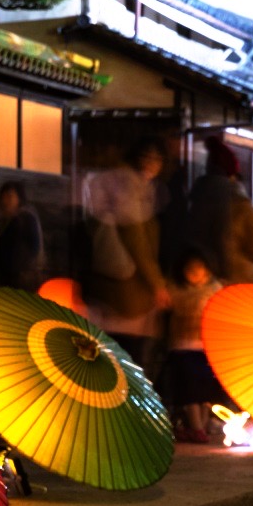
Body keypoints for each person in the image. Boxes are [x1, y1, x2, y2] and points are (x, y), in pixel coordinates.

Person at [84, 138, 170, 366]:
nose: (151, 164)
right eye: (146, 157)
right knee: (127, 359)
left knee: (114, 355)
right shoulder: (129, 184)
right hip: (127, 287)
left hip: (116, 284)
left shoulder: (135, 185)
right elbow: (135, 237)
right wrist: (156, 284)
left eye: (157, 159)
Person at [158, 250, 228, 443]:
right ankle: (197, 427)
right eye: (190, 269)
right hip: (182, 345)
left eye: (200, 268)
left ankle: (201, 427)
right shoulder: (175, 289)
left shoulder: (215, 289)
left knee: (204, 390)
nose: (196, 273)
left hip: (206, 346)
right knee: (189, 389)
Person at [186, 138, 253, 284]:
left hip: (202, 284)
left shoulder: (196, 201)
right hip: (237, 287)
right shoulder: (240, 205)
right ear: (232, 175)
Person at [0, 181, 43, 290]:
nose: (6, 201)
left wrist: (25, 269)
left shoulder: (25, 219)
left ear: (19, 198)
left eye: (10, 196)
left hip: (21, 278)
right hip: (4, 278)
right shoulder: (3, 222)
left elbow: (34, 247)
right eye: (3, 197)